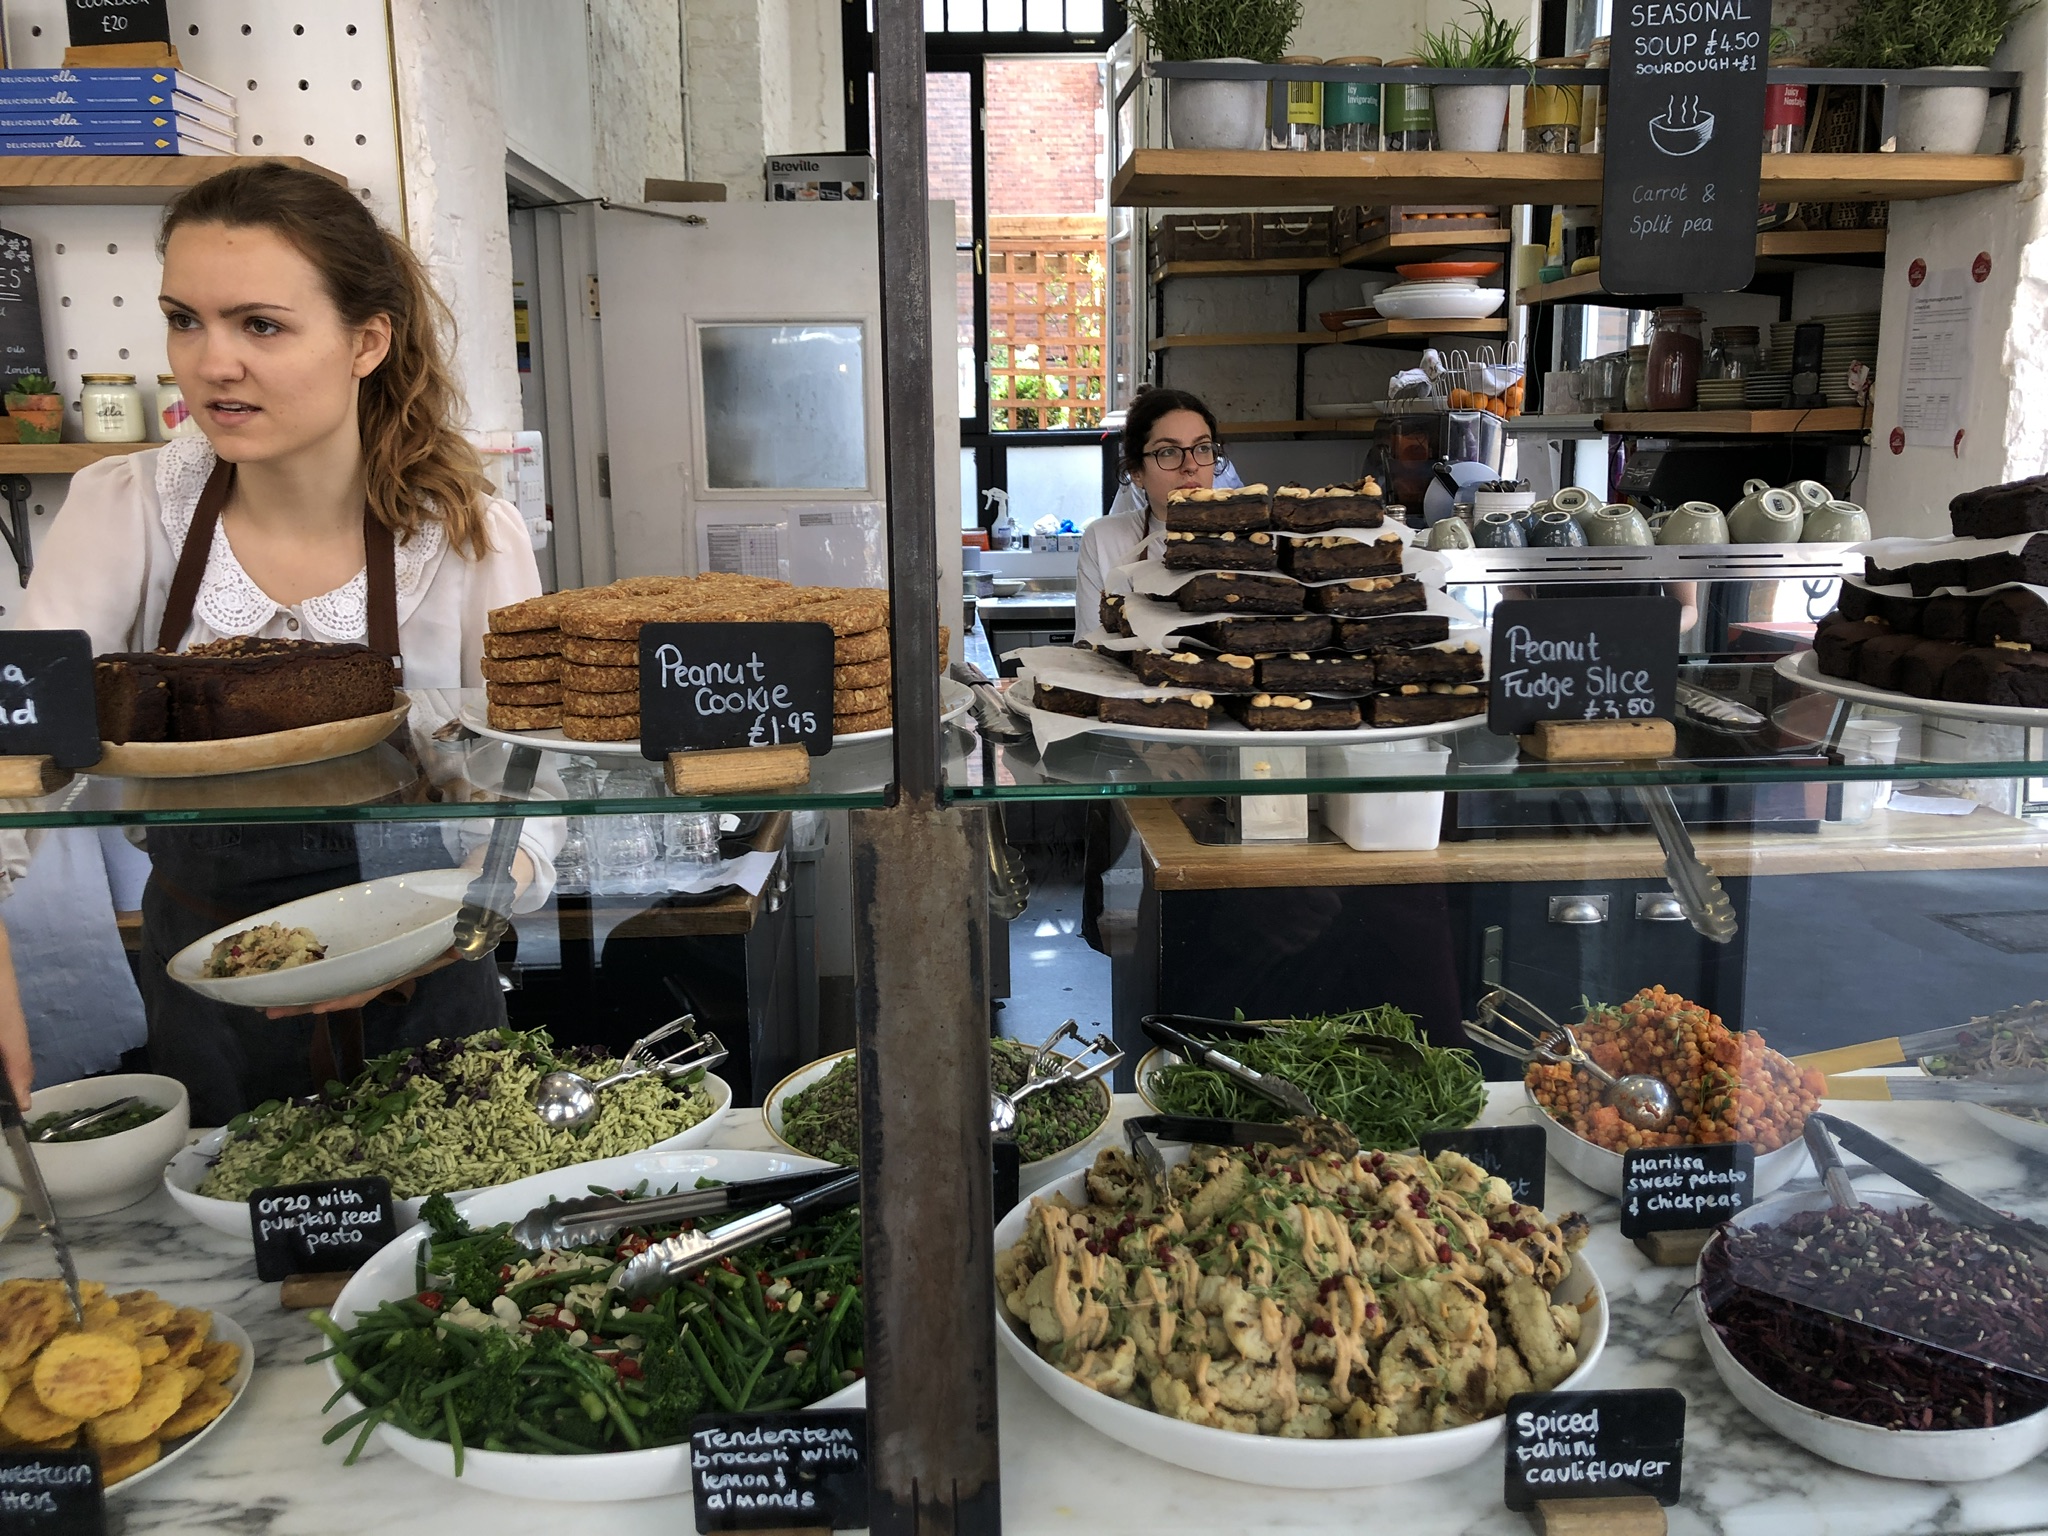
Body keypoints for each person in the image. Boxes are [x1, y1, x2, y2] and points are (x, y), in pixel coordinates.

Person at [17, 163, 557, 1122]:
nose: (212, 362)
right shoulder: (122, 512)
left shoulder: (468, 536)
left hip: (425, 979)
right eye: (186, 320)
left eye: (260, 325)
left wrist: (449, 923)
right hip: (209, 981)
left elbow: (525, 795)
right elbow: (15, 750)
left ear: (366, 341)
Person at [1075, 388, 1236, 631]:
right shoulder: (1104, 540)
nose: (1191, 465)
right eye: (1168, 452)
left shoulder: (1252, 543)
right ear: (1136, 472)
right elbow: (1091, 646)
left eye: (1203, 448)